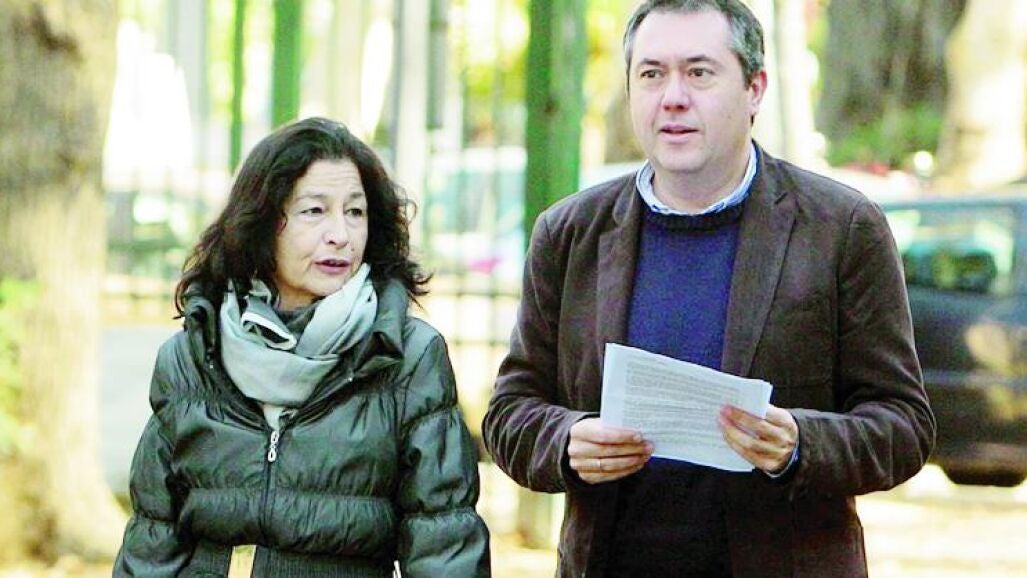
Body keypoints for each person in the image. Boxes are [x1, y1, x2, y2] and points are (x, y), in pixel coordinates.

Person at [482, 1, 935, 577]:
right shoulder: (570, 233)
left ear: (754, 89)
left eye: (699, 72)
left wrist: (801, 443)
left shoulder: (840, 227)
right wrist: (566, 441)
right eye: (652, 74)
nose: (673, 97)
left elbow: (904, 426)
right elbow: (510, 413)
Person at [114, 117, 491, 577]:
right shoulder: (192, 356)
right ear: (262, 222)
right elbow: (152, 541)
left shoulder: (407, 357)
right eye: (315, 211)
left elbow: (444, 544)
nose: (341, 235)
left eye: (355, 212)